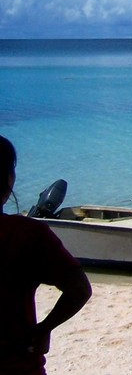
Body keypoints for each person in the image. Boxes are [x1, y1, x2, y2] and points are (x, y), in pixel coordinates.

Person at [1, 135, 92, 375]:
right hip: (17, 364)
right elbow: (80, 290)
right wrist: (44, 328)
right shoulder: (27, 235)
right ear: (9, 179)